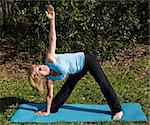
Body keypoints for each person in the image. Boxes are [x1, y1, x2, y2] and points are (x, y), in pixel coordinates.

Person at [29, 5, 123, 120]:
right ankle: (53, 109)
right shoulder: (50, 80)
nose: (42, 68)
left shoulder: (50, 59)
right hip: (77, 69)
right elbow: (49, 96)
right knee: (67, 88)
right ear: (42, 77)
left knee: (102, 82)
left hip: (86, 60)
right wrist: (47, 111)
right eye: (39, 73)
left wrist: (52, 20)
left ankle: (117, 110)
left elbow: (52, 38)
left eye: (39, 67)